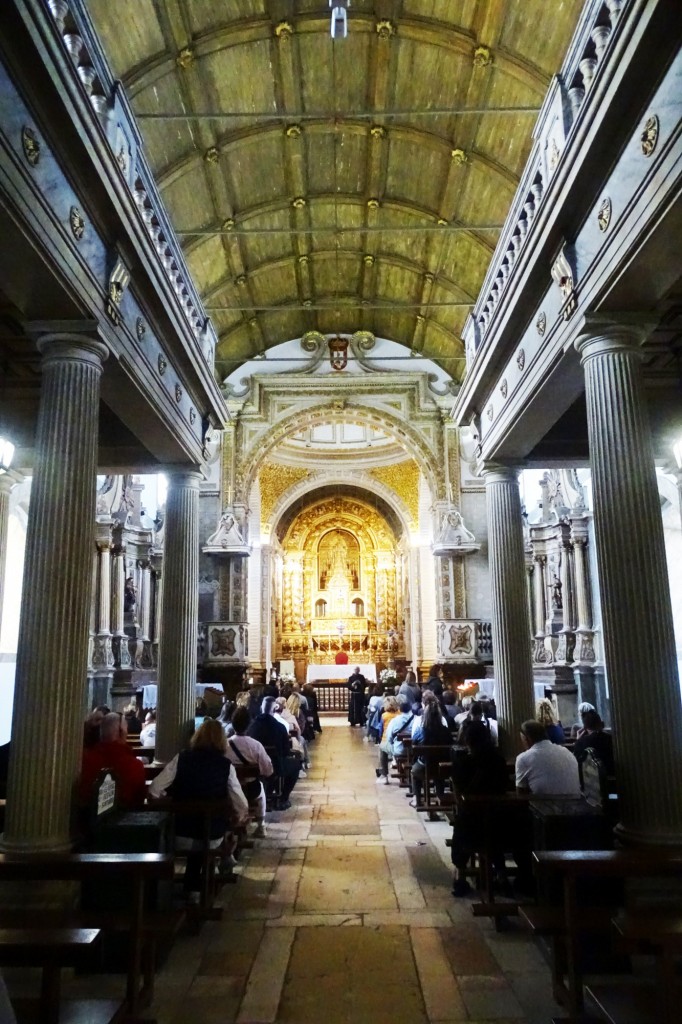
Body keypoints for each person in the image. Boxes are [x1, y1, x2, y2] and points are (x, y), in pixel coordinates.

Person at [149, 719, 248, 899]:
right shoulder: (225, 765)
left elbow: (154, 789)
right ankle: (211, 872)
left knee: (200, 832)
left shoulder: (182, 758)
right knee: (218, 828)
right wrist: (238, 819)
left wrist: (169, 802)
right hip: (211, 835)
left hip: (180, 832)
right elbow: (241, 804)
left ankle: (193, 887)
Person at [450, 720, 510, 896]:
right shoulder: (498, 759)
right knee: (493, 836)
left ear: (468, 740)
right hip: (498, 817)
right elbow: (504, 785)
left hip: (471, 820)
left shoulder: (462, 762)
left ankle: (460, 877)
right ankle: (501, 876)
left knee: (461, 832)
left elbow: (458, 792)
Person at [80, 712, 146, 809]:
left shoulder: (83, 760)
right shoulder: (135, 765)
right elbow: (139, 801)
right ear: (122, 731)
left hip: (86, 822)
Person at [224, 706, 274, 838]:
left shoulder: (224, 745)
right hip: (250, 789)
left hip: (228, 789)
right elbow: (268, 770)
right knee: (261, 789)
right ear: (249, 724)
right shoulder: (255, 745)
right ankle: (261, 825)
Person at [247, 696, 300, 809]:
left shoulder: (252, 726)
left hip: (253, 766)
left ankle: (269, 790)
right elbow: (286, 751)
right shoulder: (279, 727)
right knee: (296, 764)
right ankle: (283, 798)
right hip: (276, 766)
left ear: (261, 708)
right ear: (274, 709)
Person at [515, 719, 581, 796]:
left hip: (547, 805)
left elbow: (521, 794)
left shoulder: (523, 758)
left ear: (526, 739)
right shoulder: (566, 752)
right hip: (575, 804)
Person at [410, 699, 452, 812]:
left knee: (414, 771)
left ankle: (417, 798)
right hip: (442, 767)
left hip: (425, 766)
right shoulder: (446, 731)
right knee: (439, 772)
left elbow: (413, 745)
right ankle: (440, 794)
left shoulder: (421, 730)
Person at [377, 699, 414, 781]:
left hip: (399, 749)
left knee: (382, 747)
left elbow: (389, 736)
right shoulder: (415, 719)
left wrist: (391, 743)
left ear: (400, 709)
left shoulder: (394, 720)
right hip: (414, 749)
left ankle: (384, 775)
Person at [572, 710, 615, 776]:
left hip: (589, 781)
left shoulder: (581, 742)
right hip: (612, 776)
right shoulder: (610, 738)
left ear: (585, 727)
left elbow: (577, 763)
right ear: (600, 723)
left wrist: (578, 741)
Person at [375, 696, 400, 783]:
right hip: (400, 742)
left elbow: (380, 730)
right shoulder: (399, 714)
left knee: (382, 750)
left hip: (389, 741)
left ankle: (384, 774)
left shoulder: (384, 716)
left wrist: (380, 739)